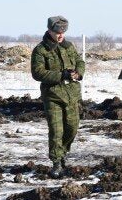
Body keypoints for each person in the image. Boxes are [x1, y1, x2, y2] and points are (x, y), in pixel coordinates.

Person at [30, 16, 85, 178]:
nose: (60, 35)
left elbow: (79, 61)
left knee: (72, 128)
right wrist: (62, 75)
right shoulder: (41, 50)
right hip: (53, 96)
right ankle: (56, 162)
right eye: (57, 32)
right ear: (49, 31)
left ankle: (62, 152)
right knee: (56, 131)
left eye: (63, 32)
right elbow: (38, 72)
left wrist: (78, 73)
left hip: (72, 95)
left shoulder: (69, 47)